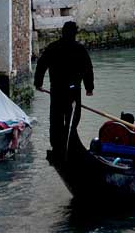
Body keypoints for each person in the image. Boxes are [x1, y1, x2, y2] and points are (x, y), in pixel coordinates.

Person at [34, 21, 94, 155]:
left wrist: (38, 83)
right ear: (75, 33)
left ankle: (57, 147)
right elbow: (88, 69)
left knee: (56, 119)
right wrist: (89, 88)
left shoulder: (53, 47)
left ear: (63, 32)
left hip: (57, 90)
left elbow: (41, 65)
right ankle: (69, 145)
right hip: (73, 90)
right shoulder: (79, 49)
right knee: (72, 118)